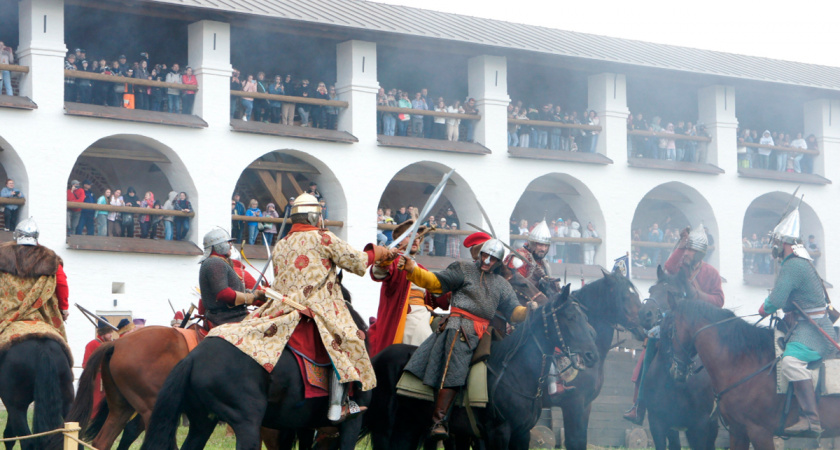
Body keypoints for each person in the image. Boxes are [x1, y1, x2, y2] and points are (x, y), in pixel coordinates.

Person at [258, 194, 397, 421]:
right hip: (318, 306)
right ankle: (337, 406)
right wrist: (377, 252)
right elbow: (356, 260)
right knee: (348, 340)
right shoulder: (323, 238)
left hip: (281, 307)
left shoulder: (281, 243)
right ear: (315, 216)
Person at [400, 239, 533, 439]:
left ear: (498, 262)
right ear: (480, 255)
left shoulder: (502, 285)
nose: (487, 260)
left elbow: (513, 311)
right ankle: (440, 419)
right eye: (485, 256)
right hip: (458, 326)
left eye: (492, 258)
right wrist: (414, 271)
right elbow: (436, 282)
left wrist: (527, 311)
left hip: (484, 332)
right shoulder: (462, 269)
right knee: (457, 362)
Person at [624, 225, 724, 424]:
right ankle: (639, 404)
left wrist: (699, 295)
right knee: (649, 349)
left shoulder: (711, 273)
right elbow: (668, 267)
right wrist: (682, 243)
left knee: (718, 358)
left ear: (700, 253)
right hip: (673, 323)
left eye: (690, 250)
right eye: (686, 249)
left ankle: (721, 403)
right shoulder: (679, 267)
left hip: (699, 327)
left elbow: (719, 300)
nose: (687, 253)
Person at [758, 207, 835, 437]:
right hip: (805, 325)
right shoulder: (799, 262)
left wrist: (762, 308)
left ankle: (811, 419)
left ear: (783, 244)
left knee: (790, 362)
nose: (774, 247)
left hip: (815, 330)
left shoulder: (793, 265)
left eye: (775, 242)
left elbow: (777, 299)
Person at [368, 219, 437, 356]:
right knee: (428, 346)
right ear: (399, 241)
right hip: (407, 316)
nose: (415, 239)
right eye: (409, 235)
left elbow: (437, 296)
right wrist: (386, 260)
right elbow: (378, 273)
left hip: (426, 313)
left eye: (418, 236)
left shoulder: (422, 269)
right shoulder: (394, 261)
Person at [198, 227, 265, 326]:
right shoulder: (214, 262)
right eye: (228, 243)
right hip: (225, 318)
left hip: (232, 316)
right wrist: (248, 297)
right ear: (218, 245)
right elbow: (223, 293)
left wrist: (255, 294)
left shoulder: (218, 262)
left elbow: (233, 290)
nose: (230, 246)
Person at [83, 317, 116, 419]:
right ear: (103, 333)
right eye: (109, 332)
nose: (111, 335)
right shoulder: (92, 344)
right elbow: (86, 365)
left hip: (107, 380)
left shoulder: (108, 345)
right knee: (96, 406)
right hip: (97, 381)